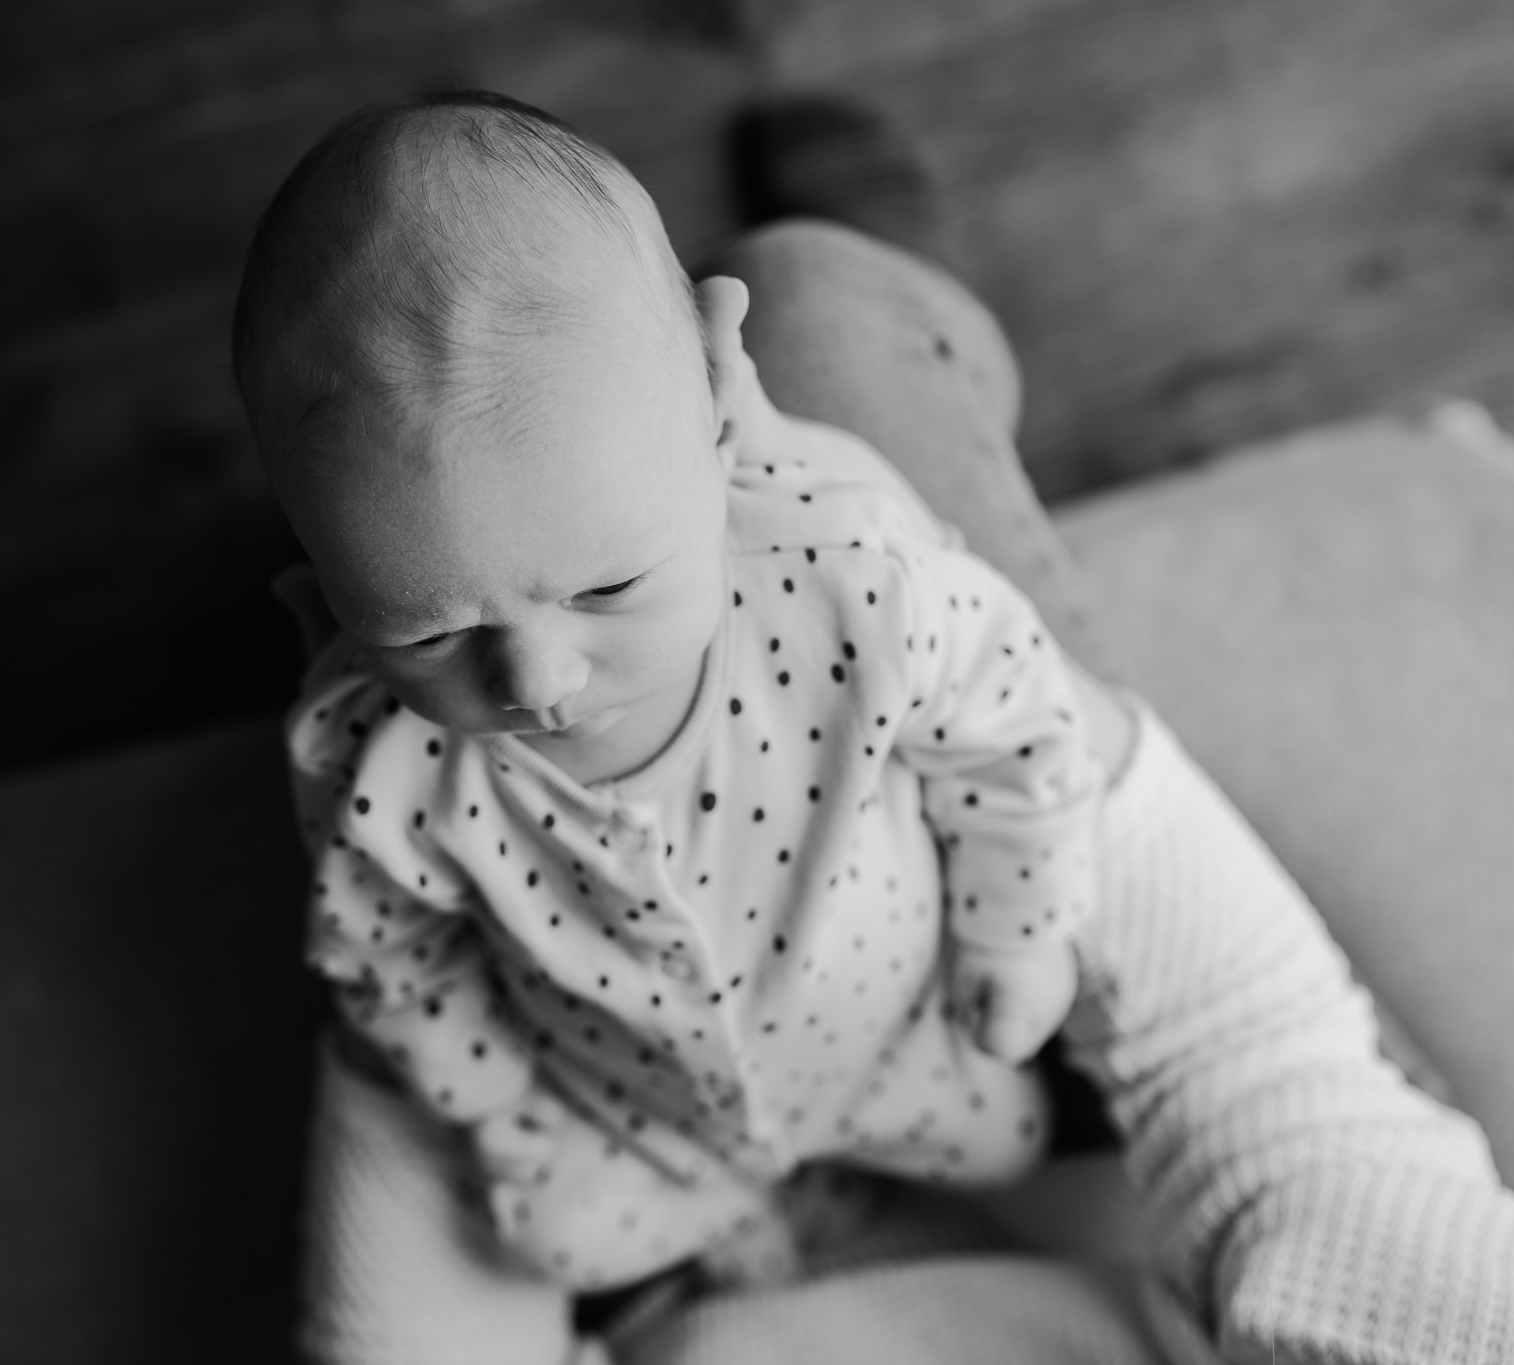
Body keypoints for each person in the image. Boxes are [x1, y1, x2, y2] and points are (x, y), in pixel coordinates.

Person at [240, 91, 1514, 1365]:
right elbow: (392, 955)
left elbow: (1018, 734)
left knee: (819, 310)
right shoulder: (370, 758)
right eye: (428, 634)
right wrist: (504, 1115)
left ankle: (863, 278)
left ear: (720, 400)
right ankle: (840, 283)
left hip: (917, 1045)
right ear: (320, 597)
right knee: (808, 305)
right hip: (632, 1124)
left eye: (603, 588)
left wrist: (1017, 932)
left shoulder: (849, 577)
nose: (536, 678)